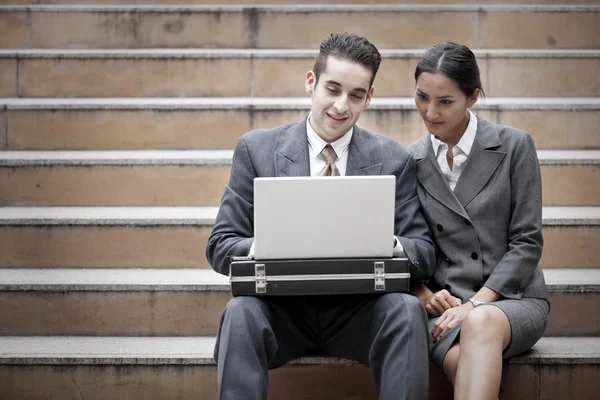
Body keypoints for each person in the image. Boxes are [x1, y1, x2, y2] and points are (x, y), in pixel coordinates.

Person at [206, 32, 436, 400]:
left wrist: (384, 241)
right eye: (333, 89)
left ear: (369, 99)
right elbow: (220, 246)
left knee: (407, 310)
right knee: (239, 312)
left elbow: (423, 252)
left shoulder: (394, 160)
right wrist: (272, 243)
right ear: (311, 82)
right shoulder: (256, 150)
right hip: (279, 312)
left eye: (356, 95)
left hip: (360, 314)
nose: (341, 106)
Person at [408, 41, 550, 399]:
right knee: (467, 364)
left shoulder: (514, 146)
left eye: (445, 101)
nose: (430, 111)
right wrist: (424, 294)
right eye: (422, 97)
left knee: (481, 322)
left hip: (511, 299)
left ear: (473, 98)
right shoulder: (410, 160)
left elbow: (527, 242)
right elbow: (406, 243)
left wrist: (477, 304)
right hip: (444, 308)